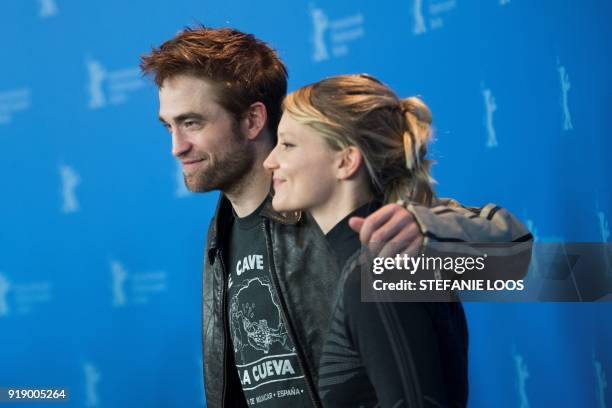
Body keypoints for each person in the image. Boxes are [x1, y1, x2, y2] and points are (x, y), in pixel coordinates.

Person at [140, 27, 532, 408]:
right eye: (168, 126)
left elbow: (516, 258)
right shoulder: (218, 236)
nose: (177, 146)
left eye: (192, 123)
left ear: (253, 121)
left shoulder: (345, 209)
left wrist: (427, 229)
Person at [264, 73, 472, 407]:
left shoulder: (379, 274)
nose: (269, 161)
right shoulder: (377, 266)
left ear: (346, 161)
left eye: (288, 144)